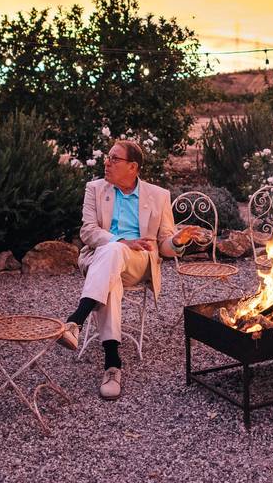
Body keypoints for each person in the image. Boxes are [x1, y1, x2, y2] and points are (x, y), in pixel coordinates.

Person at [57, 140, 204, 400]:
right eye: (108, 157)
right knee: (112, 264)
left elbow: (164, 245)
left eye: (115, 159)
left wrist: (177, 241)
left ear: (133, 167)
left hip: (138, 262)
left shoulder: (158, 196)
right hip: (102, 259)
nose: (107, 162)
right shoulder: (95, 189)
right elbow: (87, 231)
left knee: (114, 255)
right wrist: (119, 242)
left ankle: (76, 320)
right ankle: (112, 364)